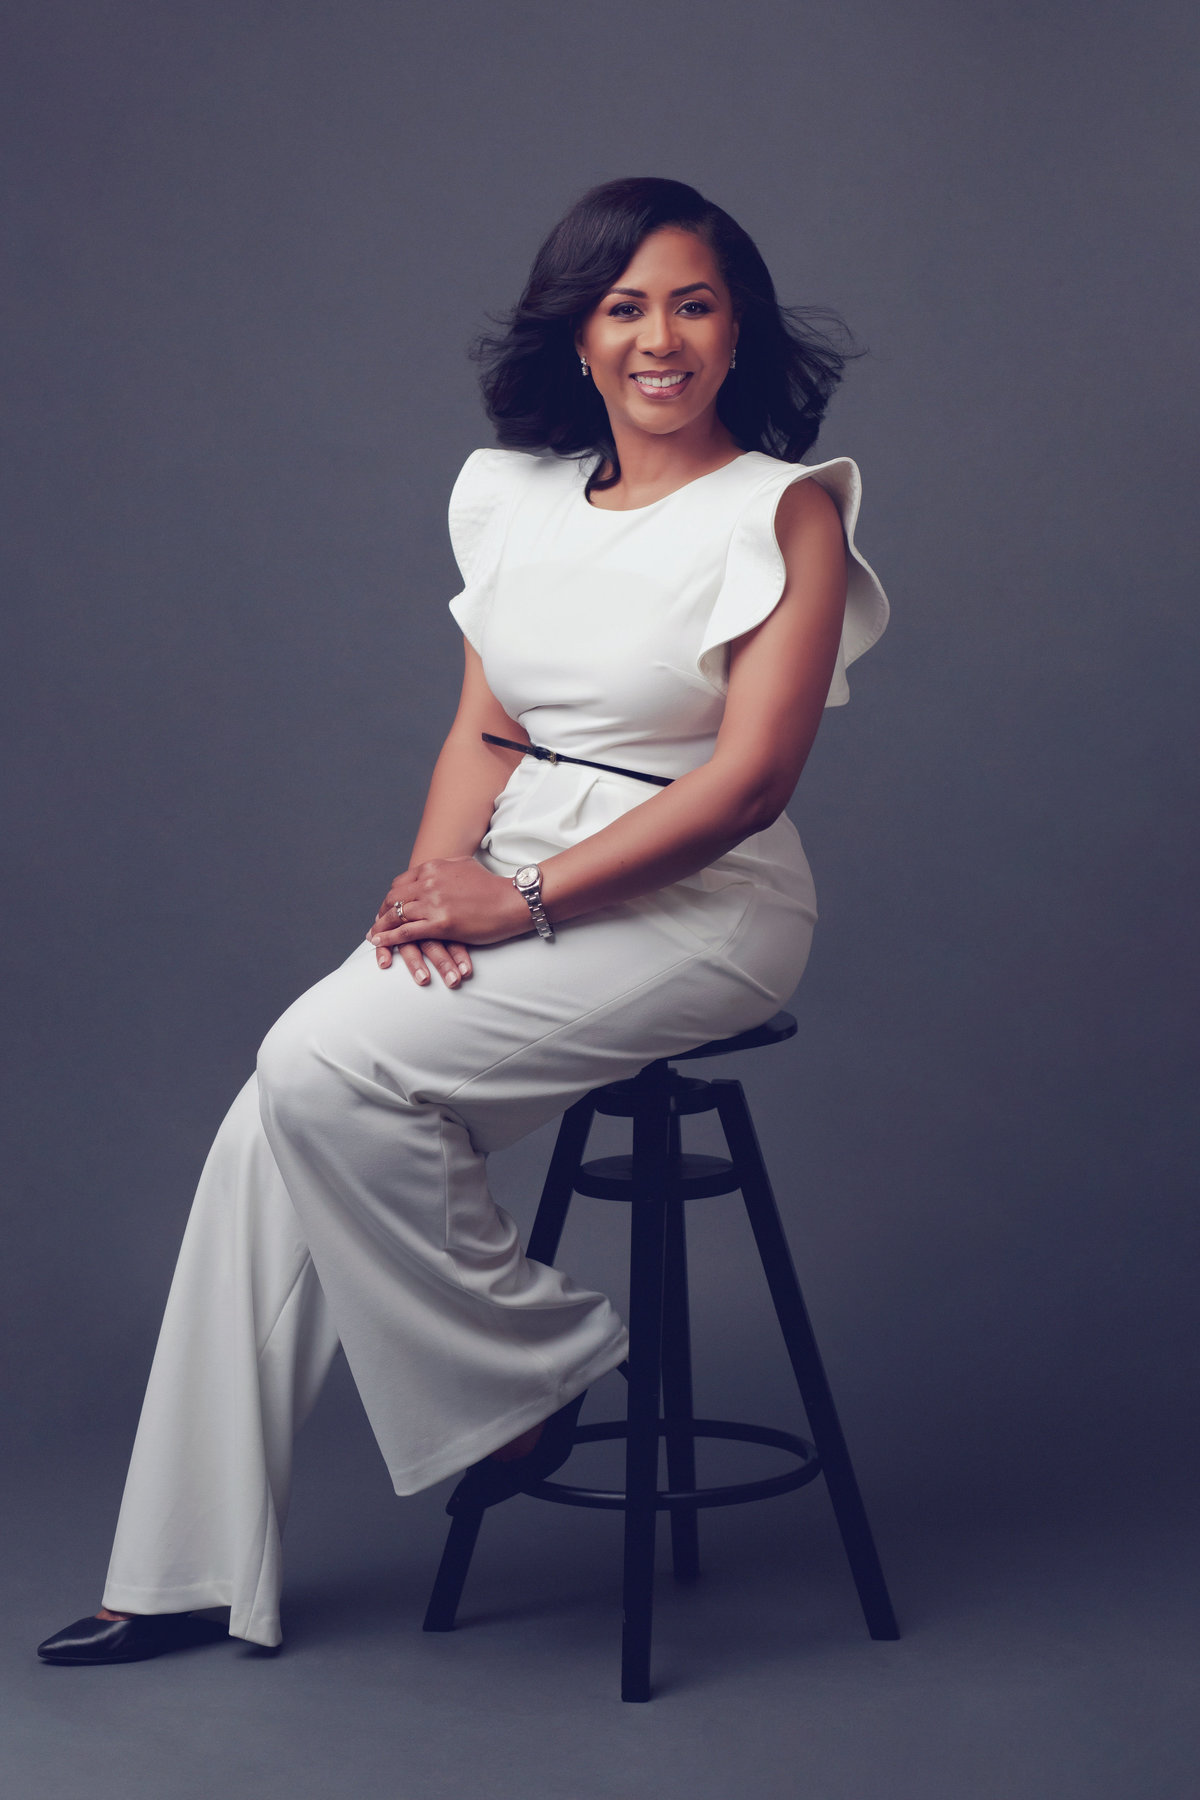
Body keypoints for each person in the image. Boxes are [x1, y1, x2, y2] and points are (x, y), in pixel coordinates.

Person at [38, 176, 888, 1665]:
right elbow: (483, 737)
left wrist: (527, 894)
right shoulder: (513, 496)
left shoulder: (785, 511)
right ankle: (176, 1569)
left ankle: (531, 1372)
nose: (659, 339)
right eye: (624, 307)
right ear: (578, 338)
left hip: (701, 907)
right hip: (511, 875)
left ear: (735, 323)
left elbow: (750, 782)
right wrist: (426, 899)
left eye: (692, 302)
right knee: (272, 1121)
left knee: (316, 1070)